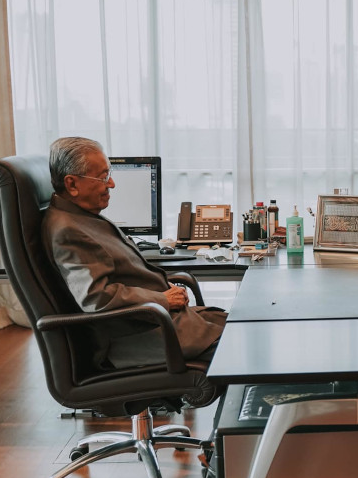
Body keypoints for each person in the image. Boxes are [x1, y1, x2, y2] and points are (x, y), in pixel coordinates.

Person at [42, 137, 226, 369]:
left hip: (156, 321)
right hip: (137, 338)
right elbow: (97, 298)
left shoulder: (80, 216)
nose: (111, 185)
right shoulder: (67, 229)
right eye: (103, 177)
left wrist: (165, 290)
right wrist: (162, 299)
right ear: (72, 185)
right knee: (239, 348)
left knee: (244, 326)